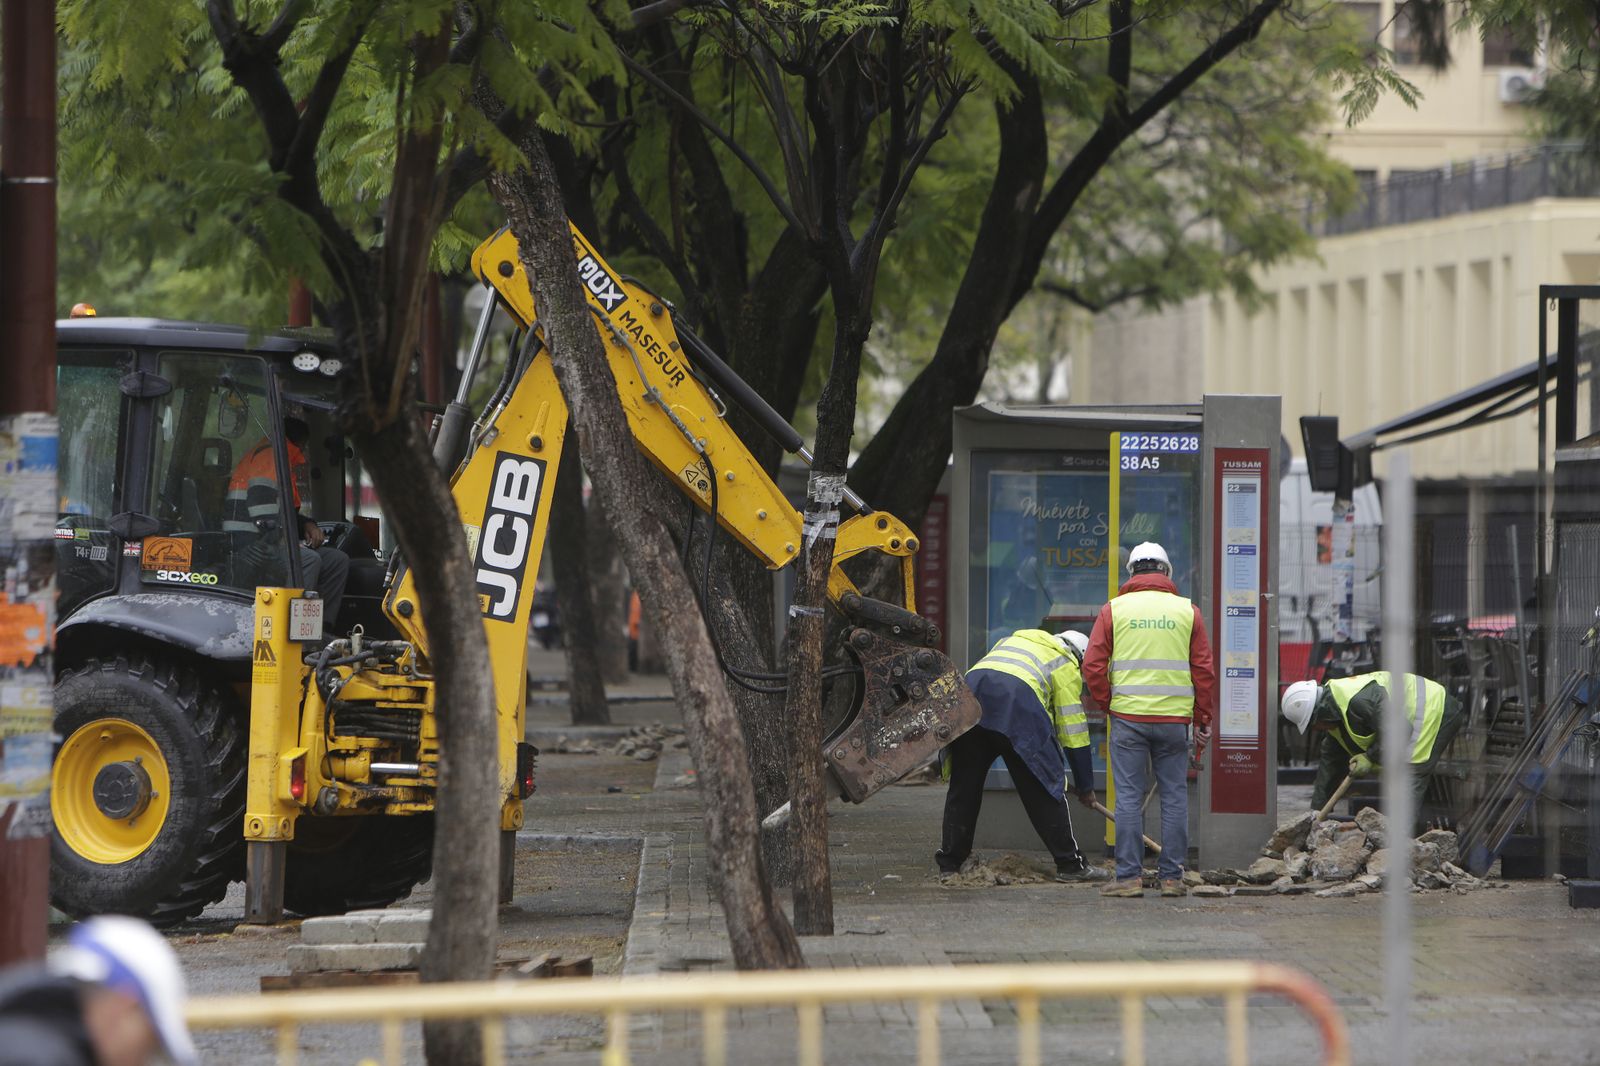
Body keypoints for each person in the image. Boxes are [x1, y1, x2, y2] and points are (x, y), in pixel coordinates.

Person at [1083, 541, 1216, 899]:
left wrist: (1108, 702)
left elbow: (1093, 665)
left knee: (1128, 796)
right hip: (1174, 721)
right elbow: (1203, 670)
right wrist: (1203, 716)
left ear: (1131, 573)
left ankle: (1128, 878)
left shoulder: (1114, 610)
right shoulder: (1188, 611)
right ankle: (1171, 878)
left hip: (1128, 718)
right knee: (1174, 797)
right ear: (1167, 572)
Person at [936, 627, 1109, 883]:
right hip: (1017, 710)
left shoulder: (1013, 642)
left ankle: (951, 863)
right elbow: (1073, 731)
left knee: (964, 789)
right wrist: (1085, 785)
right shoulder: (1065, 663)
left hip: (970, 701)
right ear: (1080, 656)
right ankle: (1070, 864)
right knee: (1043, 788)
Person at [0, 915, 198, 1066]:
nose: (140, 1062)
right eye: (147, 1046)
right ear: (124, 1007)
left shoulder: (20, 1017)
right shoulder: (41, 1056)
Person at [1281, 671, 1467, 814]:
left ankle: (1403, 849)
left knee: (1409, 771)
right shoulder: (1335, 720)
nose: (1315, 730)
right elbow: (1328, 770)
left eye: (1313, 725)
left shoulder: (1359, 701)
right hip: (1411, 719)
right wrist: (1316, 814)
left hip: (1433, 709)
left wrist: (1370, 757)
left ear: (1319, 713)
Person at [225, 416, 347, 620]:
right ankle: (292, 629)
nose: (303, 454)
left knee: (337, 561)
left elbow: (283, 512)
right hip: (252, 546)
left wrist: (307, 524)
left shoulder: (280, 459)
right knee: (308, 561)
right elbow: (262, 514)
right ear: (297, 443)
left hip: (269, 540)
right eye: (303, 447)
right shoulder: (269, 457)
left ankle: (322, 629)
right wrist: (287, 541)